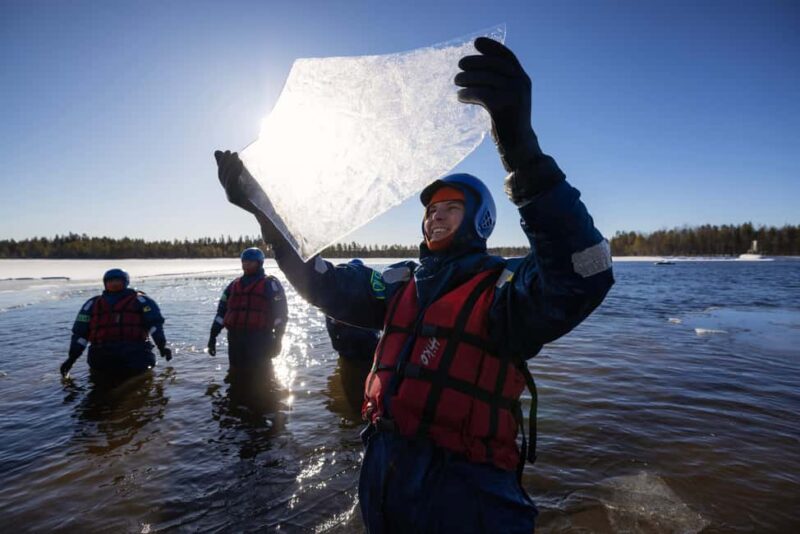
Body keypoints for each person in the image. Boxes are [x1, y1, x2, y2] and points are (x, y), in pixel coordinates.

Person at [215, 37, 614, 533]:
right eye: (429, 209)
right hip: (386, 471)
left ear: (480, 221)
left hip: (469, 491)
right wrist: (264, 211)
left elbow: (585, 271)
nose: (435, 216)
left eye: (450, 208)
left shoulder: (503, 288)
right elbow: (322, 284)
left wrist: (521, 149)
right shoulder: (400, 282)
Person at [61, 268, 172, 378]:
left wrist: (162, 346)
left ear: (125, 282)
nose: (114, 284)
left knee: (139, 384)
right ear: (105, 283)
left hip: (135, 354)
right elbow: (80, 333)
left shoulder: (142, 301)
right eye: (110, 281)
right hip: (101, 356)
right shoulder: (92, 304)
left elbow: (155, 326)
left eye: (118, 280)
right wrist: (71, 359)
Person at [207, 247, 288, 369]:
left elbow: (280, 314)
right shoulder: (234, 285)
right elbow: (221, 313)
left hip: (259, 338)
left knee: (261, 378)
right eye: (244, 261)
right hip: (235, 339)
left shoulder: (270, 284)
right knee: (235, 374)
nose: (246, 264)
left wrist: (278, 339)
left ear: (259, 263)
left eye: (250, 262)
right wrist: (213, 336)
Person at [325, 260, 381, 361]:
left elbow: (331, 326)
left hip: (346, 346)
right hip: (367, 344)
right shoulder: (370, 291)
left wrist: (337, 344)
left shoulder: (335, 296)